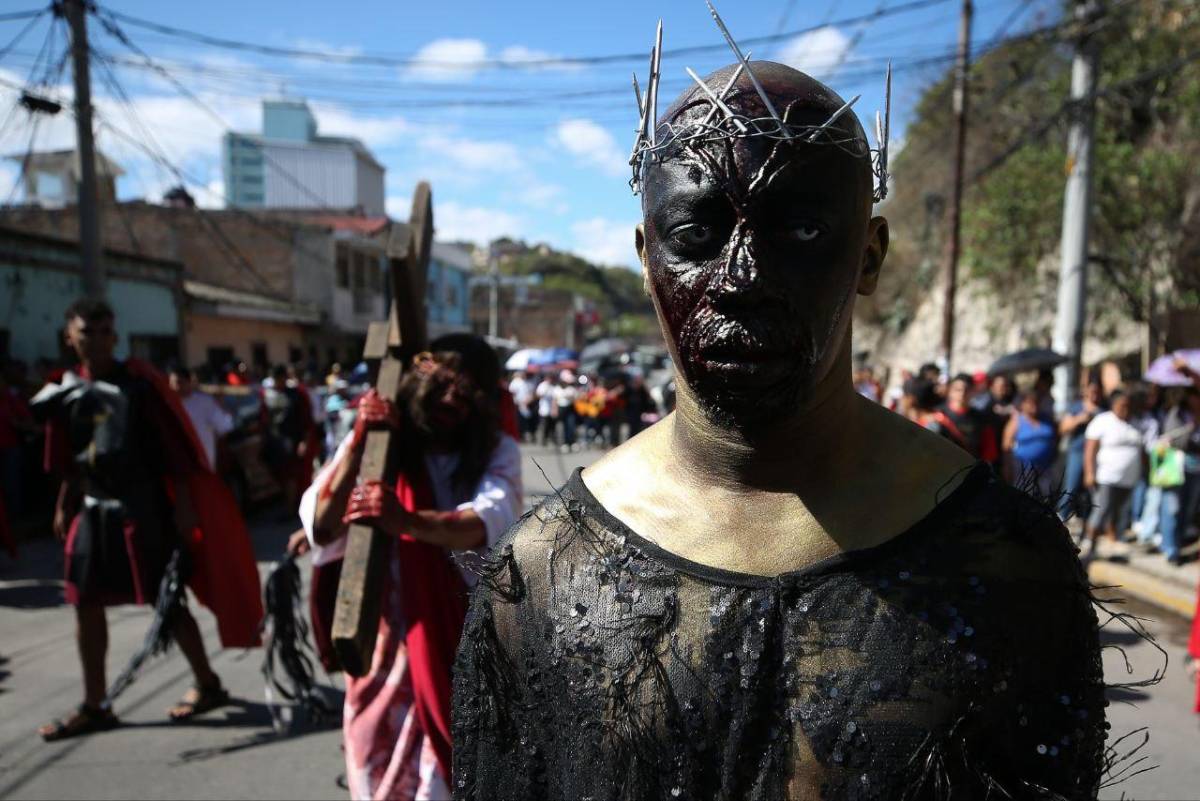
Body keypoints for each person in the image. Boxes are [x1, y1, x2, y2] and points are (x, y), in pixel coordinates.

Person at [453, 59, 1105, 800]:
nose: (741, 278)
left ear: (869, 254)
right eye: (697, 232)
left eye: (800, 228)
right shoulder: (541, 573)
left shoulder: (1003, 562)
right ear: (646, 258)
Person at [302, 334, 522, 801]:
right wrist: (361, 444)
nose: (449, 402)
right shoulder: (380, 441)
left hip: (457, 639)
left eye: (465, 396)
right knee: (376, 772)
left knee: (442, 780)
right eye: (442, 385)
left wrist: (405, 520)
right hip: (384, 643)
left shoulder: (496, 451)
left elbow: (487, 520)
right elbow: (322, 525)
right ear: (418, 376)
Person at [32, 300, 261, 741]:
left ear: (114, 337)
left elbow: (174, 450)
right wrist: (65, 500)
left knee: (167, 598)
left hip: (142, 506)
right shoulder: (63, 390)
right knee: (85, 602)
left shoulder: (138, 385)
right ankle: (96, 703)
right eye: (87, 331)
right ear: (70, 337)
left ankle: (208, 684)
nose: (96, 339)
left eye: (104, 331)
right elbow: (69, 456)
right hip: (93, 506)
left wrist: (184, 507)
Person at [1081, 391, 1145, 557]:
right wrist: (1089, 472)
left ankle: (1113, 540)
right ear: (1113, 404)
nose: (1126, 409)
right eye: (1122, 405)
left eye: (1128, 405)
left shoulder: (1135, 422)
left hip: (1128, 478)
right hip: (1106, 476)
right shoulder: (1103, 421)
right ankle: (1089, 541)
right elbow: (1090, 449)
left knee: (1119, 512)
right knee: (1101, 509)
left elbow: (1142, 450)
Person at [261, 364, 318, 516]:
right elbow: (265, 420)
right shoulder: (267, 395)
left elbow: (306, 420)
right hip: (275, 442)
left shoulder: (297, 395)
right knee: (281, 475)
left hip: (292, 441)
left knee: (292, 475)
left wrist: (304, 441)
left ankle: (292, 507)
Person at [1157, 388, 1200, 565]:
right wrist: (1192, 428)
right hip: (1176, 468)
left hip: (1195, 470)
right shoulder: (1177, 414)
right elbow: (1174, 441)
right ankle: (1170, 549)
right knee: (1172, 508)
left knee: (1187, 509)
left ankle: (1179, 543)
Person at [169, 366, 234, 472]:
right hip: (178, 464)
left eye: (179, 382)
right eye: (171, 383)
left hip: (202, 463)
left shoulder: (205, 402)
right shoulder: (169, 404)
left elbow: (224, 427)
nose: (175, 387)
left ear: (189, 382)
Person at [1059, 378, 1105, 520]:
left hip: (1098, 454)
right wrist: (1079, 419)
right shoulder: (1076, 407)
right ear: (1085, 391)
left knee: (1090, 491)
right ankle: (1061, 517)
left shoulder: (1103, 410)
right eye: (1092, 391)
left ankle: (1086, 520)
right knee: (1071, 487)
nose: (1094, 395)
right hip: (1078, 451)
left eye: (1097, 392)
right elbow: (1062, 428)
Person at [1003, 392, 1058, 493]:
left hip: (1045, 468)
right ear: (1022, 405)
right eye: (1030, 402)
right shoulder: (1016, 421)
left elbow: (1056, 437)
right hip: (1023, 468)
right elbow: (1006, 446)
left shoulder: (1046, 419)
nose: (1034, 405)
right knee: (1025, 495)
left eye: (1036, 402)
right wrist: (1007, 468)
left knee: (1046, 496)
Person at [507, 369, 537, 442]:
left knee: (524, 421)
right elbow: (512, 393)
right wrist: (518, 402)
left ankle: (524, 435)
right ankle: (521, 436)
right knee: (520, 421)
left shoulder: (523, 382)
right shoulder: (515, 382)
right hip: (518, 405)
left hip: (524, 404)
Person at [535, 371, 556, 447]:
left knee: (551, 426)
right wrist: (544, 392)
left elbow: (554, 398)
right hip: (543, 409)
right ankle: (543, 440)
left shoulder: (553, 386)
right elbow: (538, 395)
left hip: (551, 410)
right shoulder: (542, 385)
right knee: (544, 425)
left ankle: (551, 439)